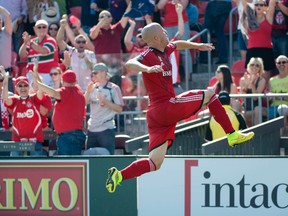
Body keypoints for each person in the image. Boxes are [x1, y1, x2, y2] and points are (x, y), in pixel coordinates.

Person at [105, 22, 255, 193]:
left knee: (155, 162)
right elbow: (130, 63)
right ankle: (231, 134)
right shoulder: (148, 54)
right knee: (210, 95)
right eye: (162, 30)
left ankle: (119, 176)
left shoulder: (165, 49)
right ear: (156, 37)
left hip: (158, 115)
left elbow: (178, 44)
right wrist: (147, 69)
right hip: (166, 107)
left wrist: (197, 45)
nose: (165, 31)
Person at [33, 69, 86, 155]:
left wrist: (37, 81)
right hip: (74, 134)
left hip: (68, 136)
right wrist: (37, 78)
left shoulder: (65, 91)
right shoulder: (78, 91)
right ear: (75, 80)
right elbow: (47, 90)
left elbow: (52, 93)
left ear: (62, 80)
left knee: (69, 166)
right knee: (73, 163)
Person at [1, 67, 48, 156]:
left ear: (29, 86)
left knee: (37, 168)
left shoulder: (34, 99)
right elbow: (5, 98)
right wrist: (6, 80)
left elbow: (41, 91)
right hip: (18, 142)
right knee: (14, 167)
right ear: (16, 88)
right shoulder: (14, 100)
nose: (23, 88)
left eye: (25, 85)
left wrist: (36, 76)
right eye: (20, 86)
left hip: (35, 141)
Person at [84, 63, 124, 155]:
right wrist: (88, 92)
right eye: (92, 73)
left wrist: (105, 101)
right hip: (92, 129)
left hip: (106, 129)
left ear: (103, 73)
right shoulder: (92, 88)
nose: (93, 75)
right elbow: (84, 103)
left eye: (95, 73)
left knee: (107, 158)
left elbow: (119, 109)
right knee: (90, 159)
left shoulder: (113, 88)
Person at [57, 17, 96, 92]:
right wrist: (62, 27)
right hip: (74, 89)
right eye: (78, 42)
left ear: (86, 43)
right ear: (74, 43)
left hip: (88, 89)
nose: (81, 43)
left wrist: (85, 58)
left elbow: (94, 69)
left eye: (83, 42)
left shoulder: (90, 54)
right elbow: (59, 40)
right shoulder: (71, 51)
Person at [241, 0, 277, 80]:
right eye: (256, 4)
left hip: (266, 50)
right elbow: (244, 2)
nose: (259, 6)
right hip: (252, 50)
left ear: (265, 7)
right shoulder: (250, 18)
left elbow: (272, 2)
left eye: (261, 5)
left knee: (266, 77)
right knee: (251, 76)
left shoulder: (268, 17)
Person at [19, 19, 59, 85]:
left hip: (48, 75)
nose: (41, 29)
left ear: (47, 29)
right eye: (39, 27)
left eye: (44, 27)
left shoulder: (51, 40)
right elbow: (22, 55)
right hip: (32, 76)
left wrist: (30, 42)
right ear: (34, 29)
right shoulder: (31, 42)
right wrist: (25, 43)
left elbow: (44, 51)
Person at [254, 55, 288, 126]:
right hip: (273, 107)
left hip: (285, 107)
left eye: (284, 62)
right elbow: (269, 97)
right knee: (257, 109)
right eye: (279, 63)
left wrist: (275, 96)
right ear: (276, 64)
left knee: (282, 108)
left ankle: (282, 136)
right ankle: (259, 135)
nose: (281, 64)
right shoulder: (271, 80)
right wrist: (268, 97)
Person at [240, 57, 266, 126]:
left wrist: (251, 84)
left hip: (256, 108)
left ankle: (258, 134)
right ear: (249, 66)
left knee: (257, 109)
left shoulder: (262, 80)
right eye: (252, 64)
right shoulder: (243, 79)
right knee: (236, 106)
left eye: (257, 65)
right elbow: (242, 97)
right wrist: (246, 86)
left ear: (260, 68)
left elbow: (255, 98)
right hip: (245, 107)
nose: (254, 67)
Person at [0, 6, 13, 93]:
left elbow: (7, 16)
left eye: (0, 21)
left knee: (10, 101)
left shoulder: (6, 32)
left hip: (6, 73)